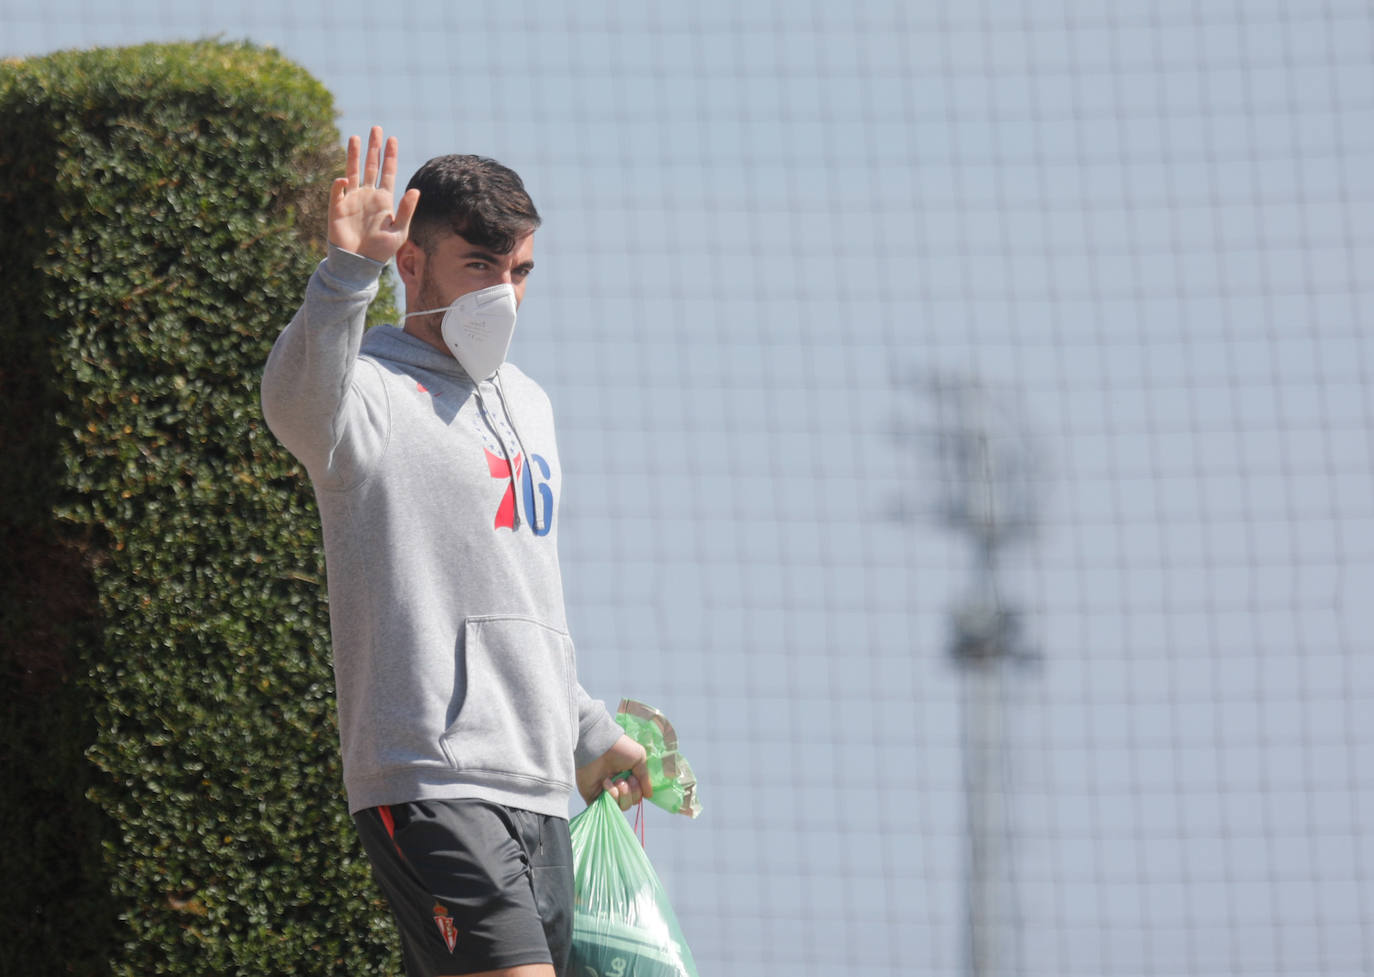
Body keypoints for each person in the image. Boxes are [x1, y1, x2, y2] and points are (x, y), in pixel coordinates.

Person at [261, 126, 650, 977]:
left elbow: (521, 592)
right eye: (479, 266)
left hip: (540, 784)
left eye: (520, 273)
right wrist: (344, 274)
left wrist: (590, 728)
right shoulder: (363, 391)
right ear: (413, 266)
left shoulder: (532, 406)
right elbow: (290, 402)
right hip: (432, 778)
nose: (503, 295)